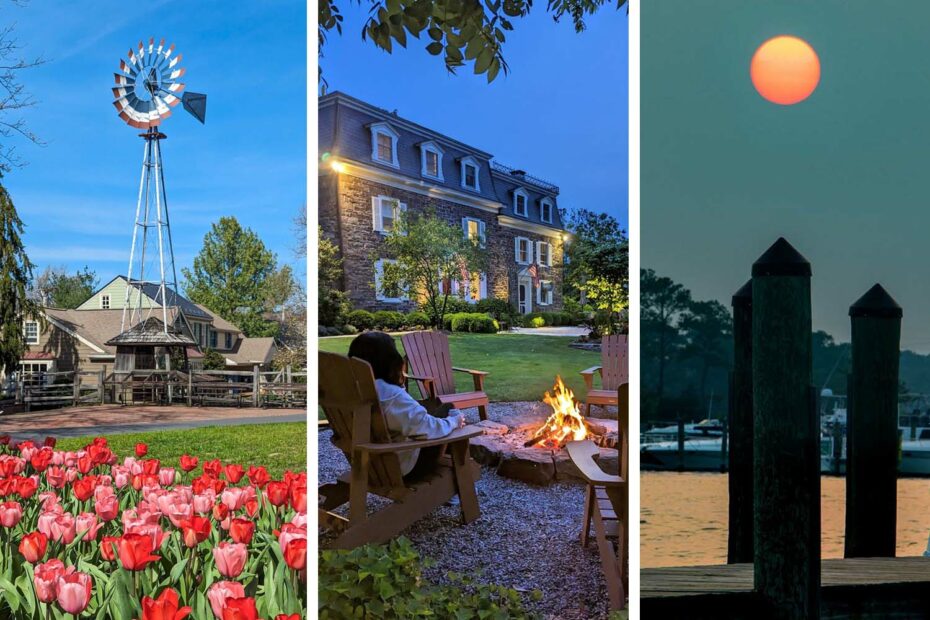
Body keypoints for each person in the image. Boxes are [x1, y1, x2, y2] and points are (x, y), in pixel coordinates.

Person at [347, 331, 466, 478]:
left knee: (441, 411)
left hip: (367, 465)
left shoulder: (350, 389)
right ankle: (458, 480)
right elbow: (426, 429)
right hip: (402, 468)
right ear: (389, 359)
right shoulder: (390, 394)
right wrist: (454, 421)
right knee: (449, 410)